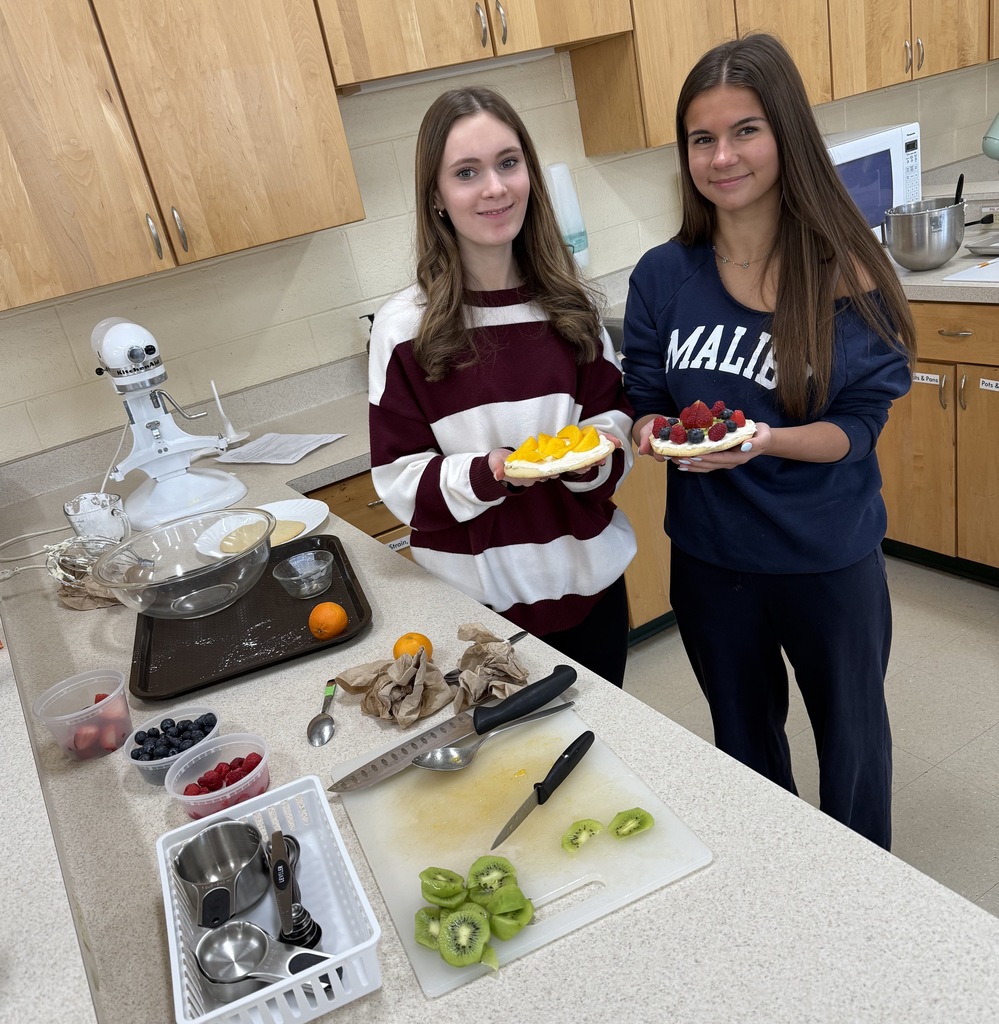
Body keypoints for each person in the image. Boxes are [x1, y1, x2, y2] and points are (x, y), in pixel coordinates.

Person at [621, 33, 916, 848]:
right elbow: (645, 395)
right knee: (744, 747)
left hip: (825, 557)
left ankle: (863, 895)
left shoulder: (846, 272)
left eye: (745, 130)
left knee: (853, 750)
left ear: (785, 132)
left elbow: (858, 428)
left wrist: (765, 441)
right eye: (701, 138)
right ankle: (778, 877)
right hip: (713, 561)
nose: (722, 157)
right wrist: (652, 432)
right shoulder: (661, 276)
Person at [368, 86, 637, 687]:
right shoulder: (403, 330)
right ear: (436, 196)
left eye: (508, 163)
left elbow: (613, 427)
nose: (495, 188)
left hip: (592, 596)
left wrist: (584, 460)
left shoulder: (571, 307)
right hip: (476, 621)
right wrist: (488, 472)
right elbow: (400, 481)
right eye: (467, 172)